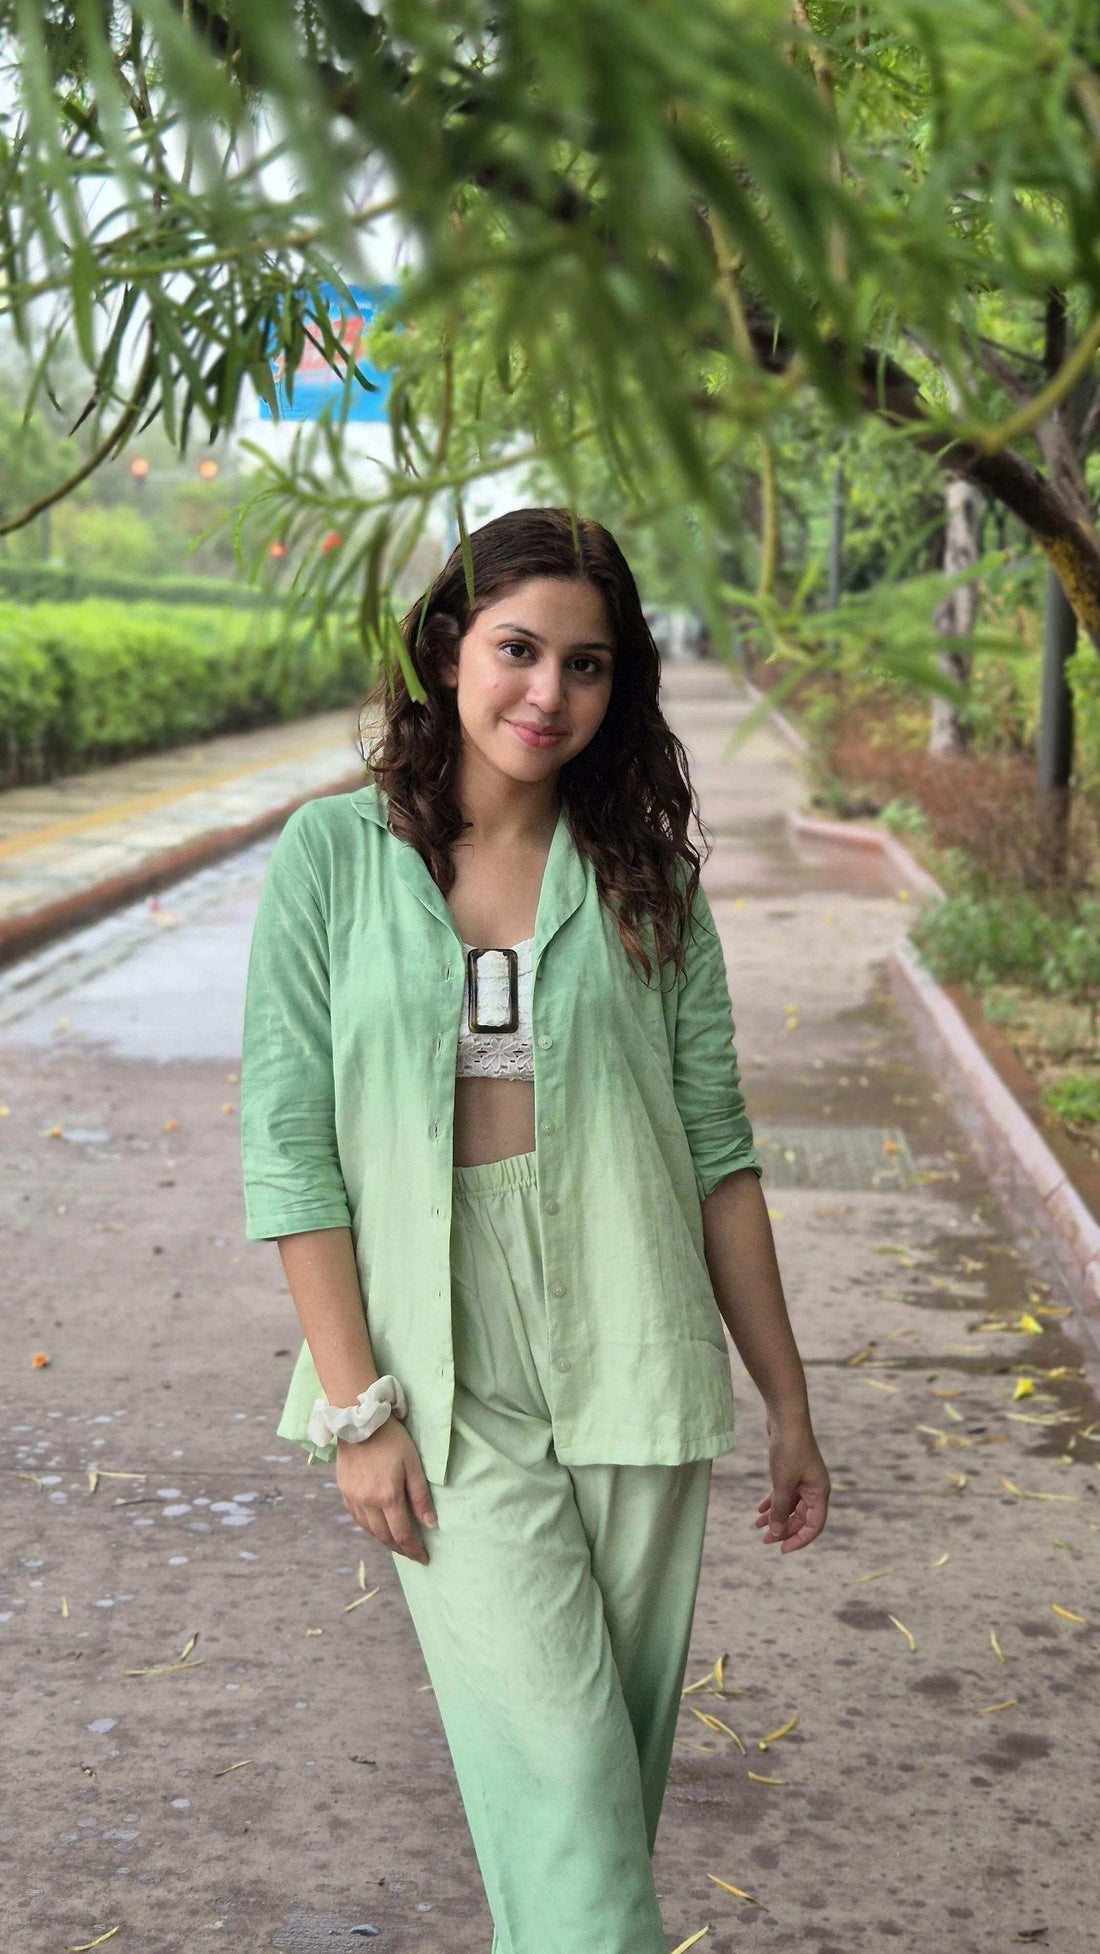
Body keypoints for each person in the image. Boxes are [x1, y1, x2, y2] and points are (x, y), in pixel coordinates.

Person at [239, 505, 830, 1954]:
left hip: (634, 1337)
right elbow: (292, 1153)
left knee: (595, 1803)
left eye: (587, 663)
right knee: (564, 1768)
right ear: (449, 648)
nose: (546, 692)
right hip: (438, 1365)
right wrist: (356, 1407)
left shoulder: (647, 883)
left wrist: (789, 1400)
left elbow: (720, 1158)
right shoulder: (330, 858)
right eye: (517, 649)